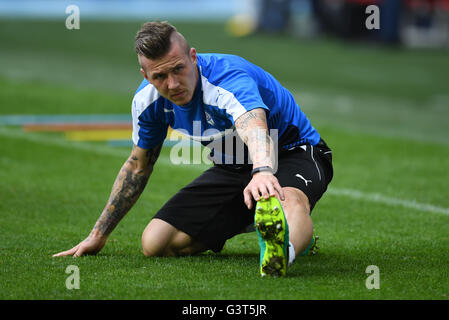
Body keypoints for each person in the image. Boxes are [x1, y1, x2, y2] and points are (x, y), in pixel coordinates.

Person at [53, 21, 333, 277]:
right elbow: (138, 166)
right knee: (156, 242)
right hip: (234, 166)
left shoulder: (227, 78)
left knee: (291, 202)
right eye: (160, 76)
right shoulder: (148, 102)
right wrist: (99, 234)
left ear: (193, 57)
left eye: (178, 69)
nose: (173, 84)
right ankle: (255, 218)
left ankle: (284, 251)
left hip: (294, 151)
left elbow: (254, 126)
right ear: (145, 75)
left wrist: (262, 171)